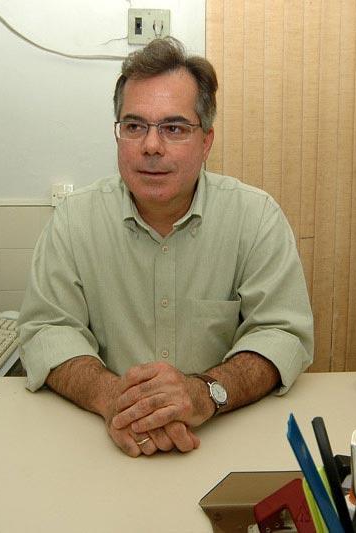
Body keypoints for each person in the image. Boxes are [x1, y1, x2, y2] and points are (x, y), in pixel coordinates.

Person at [17, 37, 313, 458]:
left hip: (224, 443)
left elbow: (281, 333)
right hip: (102, 448)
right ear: (118, 134)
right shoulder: (73, 221)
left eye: (174, 128)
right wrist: (112, 397)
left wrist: (205, 393)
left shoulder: (256, 217)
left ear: (206, 142)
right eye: (134, 126)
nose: (151, 146)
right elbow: (47, 330)